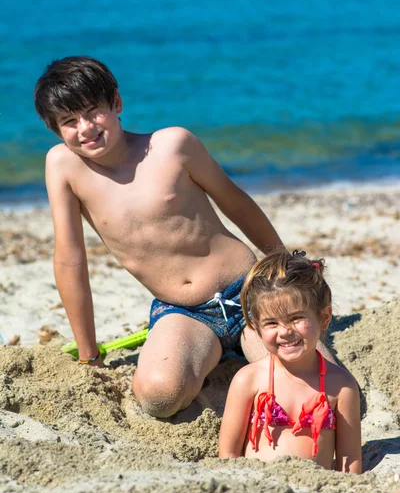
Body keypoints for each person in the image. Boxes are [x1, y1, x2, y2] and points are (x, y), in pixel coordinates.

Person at [34, 55, 284, 418]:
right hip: (185, 311)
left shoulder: (172, 145)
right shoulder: (64, 167)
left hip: (247, 289)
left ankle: (247, 352)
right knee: (158, 396)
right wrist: (89, 354)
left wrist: (284, 261)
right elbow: (70, 259)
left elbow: (236, 203)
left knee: (308, 380)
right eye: (70, 122)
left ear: (116, 103)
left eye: (93, 112)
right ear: (56, 130)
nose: (85, 127)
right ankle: (220, 356)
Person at [218, 249, 362, 473]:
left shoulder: (341, 386)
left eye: (296, 318)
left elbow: (350, 463)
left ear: (323, 318)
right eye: (271, 323)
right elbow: (228, 455)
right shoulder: (248, 380)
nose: (285, 331)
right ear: (256, 327)